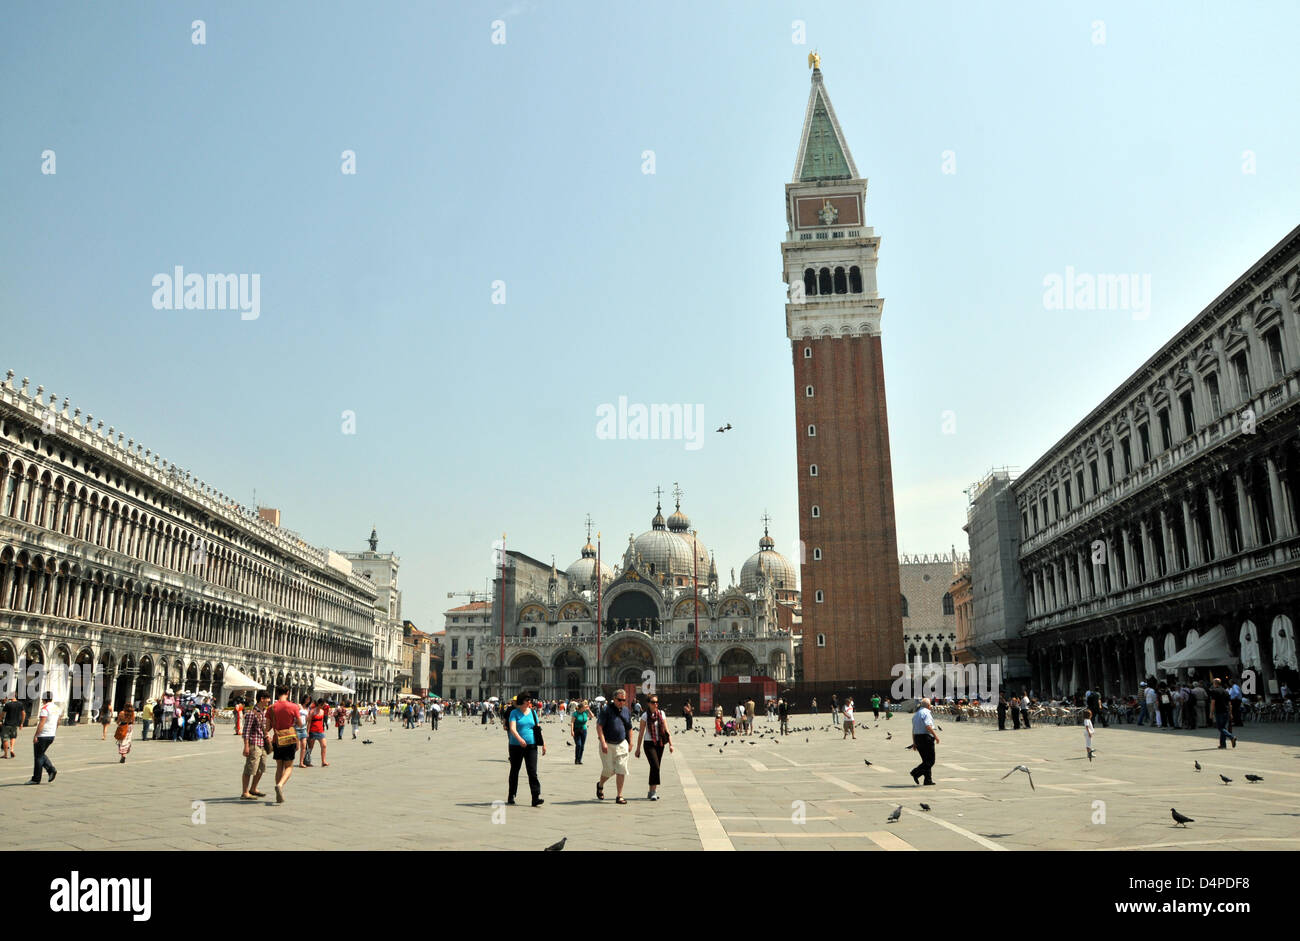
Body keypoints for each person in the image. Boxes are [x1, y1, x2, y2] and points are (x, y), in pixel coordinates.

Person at [506, 693, 545, 807]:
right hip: (516, 746)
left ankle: (535, 797)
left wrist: (543, 743)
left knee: (532, 772)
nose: (530, 702)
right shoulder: (514, 713)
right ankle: (511, 795)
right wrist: (519, 739)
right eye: (528, 700)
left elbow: (537, 728)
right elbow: (512, 728)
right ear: (522, 701)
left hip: (531, 746)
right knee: (515, 770)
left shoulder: (533, 712)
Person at [596, 689, 634, 804]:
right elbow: (599, 727)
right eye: (619, 700)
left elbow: (629, 727)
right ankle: (600, 784)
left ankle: (619, 796)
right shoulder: (606, 710)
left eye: (624, 700)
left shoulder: (626, 710)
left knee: (621, 769)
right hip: (607, 743)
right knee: (609, 770)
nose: (622, 702)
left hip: (622, 743)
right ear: (614, 699)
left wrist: (631, 742)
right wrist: (603, 742)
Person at [635, 694, 674, 800]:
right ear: (648, 704)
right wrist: (638, 748)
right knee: (655, 766)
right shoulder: (644, 716)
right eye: (653, 702)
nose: (655, 704)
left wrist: (671, 744)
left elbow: (666, 730)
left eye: (657, 702)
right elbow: (641, 733)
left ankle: (652, 791)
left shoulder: (662, 714)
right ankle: (653, 792)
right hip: (649, 744)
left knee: (656, 767)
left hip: (660, 743)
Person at [267, 687, 302, 803]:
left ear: (277, 693)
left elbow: (267, 727)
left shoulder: (271, 708)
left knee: (279, 767)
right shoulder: (293, 706)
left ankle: (278, 788)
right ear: (288, 693)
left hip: (277, 739)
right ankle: (280, 785)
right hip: (289, 738)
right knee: (289, 766)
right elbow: (300, 724)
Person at [241, 690, 271, 800]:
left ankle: (253, 788)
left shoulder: (263, 712)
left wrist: (267, 735)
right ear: (261, 699)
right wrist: (246, 746)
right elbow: (246, 731)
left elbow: (263, 728)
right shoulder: (251, 713)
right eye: (267, 698)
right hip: (254, 744)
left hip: (262, 744)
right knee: (250, 768)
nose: (269, 701)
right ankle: (245, 792)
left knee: (261, 768)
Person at [28, 692, 60, 785]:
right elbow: (58, 721)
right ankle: (51, 770)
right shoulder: (56, 708)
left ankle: (36, 778)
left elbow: (41, 723)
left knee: (38, 757)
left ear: (43, 699)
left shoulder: (45, 708)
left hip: (43, 735)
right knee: (41, 754)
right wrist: (54, 731)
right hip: (51, 734)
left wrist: (36, 735)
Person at [909, 697, 939, 786]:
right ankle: (915, 772)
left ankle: (928, 780)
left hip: (918, 738)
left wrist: (914, 742)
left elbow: (913, 730)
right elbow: (928, 726)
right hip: (926, 738)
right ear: (928, 706)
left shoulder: (916, 714)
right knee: (930, 761)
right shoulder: (926, 713)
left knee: (926, 760)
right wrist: (936, 736)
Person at [1209, 678, 1237, 749]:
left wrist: (1211, 713)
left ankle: (1232, 737)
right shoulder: (1226, 691)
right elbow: (1230, 704)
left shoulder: (1214, 691)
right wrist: (1230, 713)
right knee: (1223, 727)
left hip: (1219, 711)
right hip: (1226, 711)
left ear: (1215, 683)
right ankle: (1223, 744)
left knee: (1220, 728)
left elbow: (1213, 703)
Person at [2, 694, 26, 759]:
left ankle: (6, 754)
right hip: (15, 724)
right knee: (13, 737)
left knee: (5, 739)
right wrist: (22, 723)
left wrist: (1, 720)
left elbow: (2, 714)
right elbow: (24, 713)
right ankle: (12, 749)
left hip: (6, 724)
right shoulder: (20, 704)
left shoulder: (8, 704)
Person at [307, 699, 330, 767]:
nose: (323, 706)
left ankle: (323, 761)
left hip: (320, 731)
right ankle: (307, 760)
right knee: (311, 747)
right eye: (322, 705)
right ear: (319, 704)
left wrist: (324, 728)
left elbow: (322, 721)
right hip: (312, 730)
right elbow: (309, 722)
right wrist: (307, 732)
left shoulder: (322, 711)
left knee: (324, 745)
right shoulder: (312, 711)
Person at [571, 700, 592, 765]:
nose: (585, 708)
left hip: (584, 730)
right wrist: (572, 731)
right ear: (581, 708)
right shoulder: (575, 713)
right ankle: (576, 759)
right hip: (576, 730)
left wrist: (589, 710)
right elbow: (572, 722)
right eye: (584, 707)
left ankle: (579, 759)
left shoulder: (585, 712)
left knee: (582, 746)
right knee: (578, 745)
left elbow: (592, 716)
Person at [296, 696, 311, 767]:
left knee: (304, 746)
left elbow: (308, 721)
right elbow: (294, 715)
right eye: (307, 699)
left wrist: (308, 731)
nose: (308, 700)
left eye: (309, 699)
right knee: (297, 747)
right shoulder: (299, 706)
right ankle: (288, 760)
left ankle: (301, 762)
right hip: (296, 728)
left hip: (304, 728)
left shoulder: (308, 708)